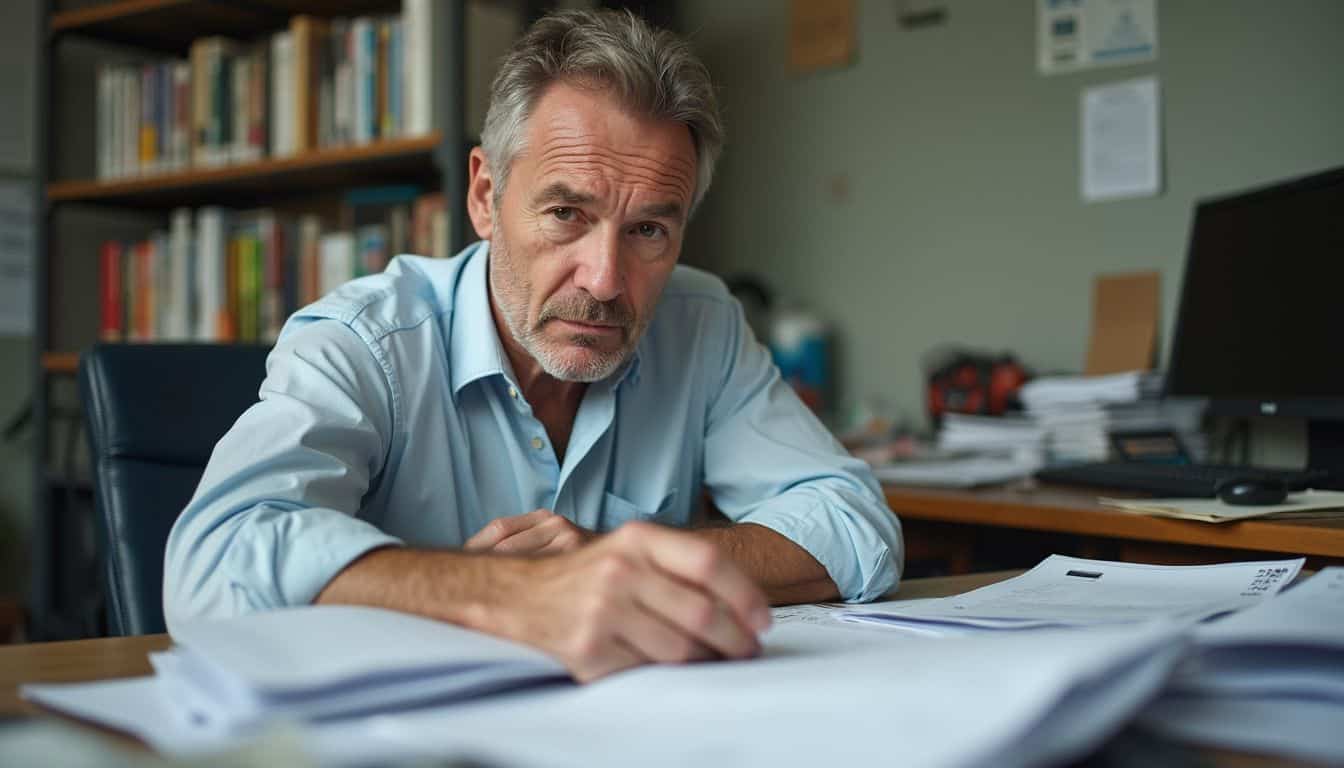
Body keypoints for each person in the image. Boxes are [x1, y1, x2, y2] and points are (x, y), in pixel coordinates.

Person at [164, 9, 903, 682]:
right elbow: (214, 562)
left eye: (649, 229)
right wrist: (508, 591)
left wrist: (615, 565)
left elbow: (854, 521)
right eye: (565, 214)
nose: (606, 279)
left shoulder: (700, 322)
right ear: (486, 196)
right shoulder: (367, 342)